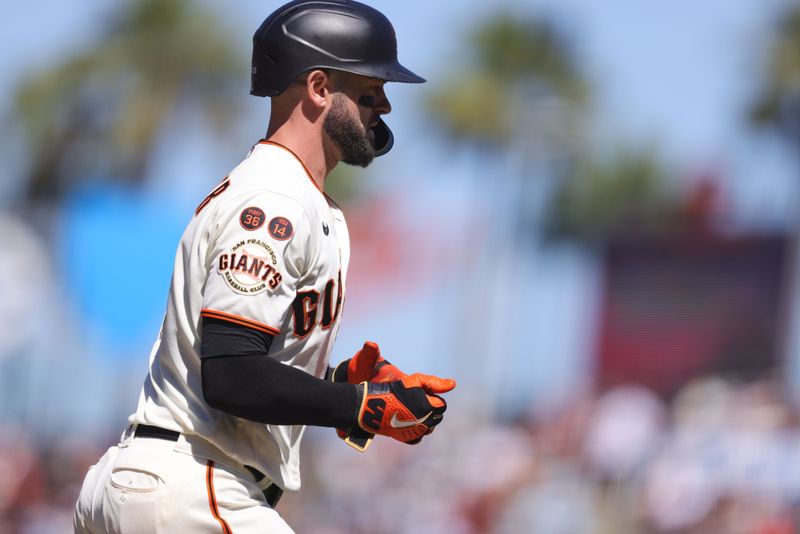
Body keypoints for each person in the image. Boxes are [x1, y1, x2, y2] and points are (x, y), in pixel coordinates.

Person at [73, 1, 456, 532]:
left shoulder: (296, 197)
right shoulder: (275, 201)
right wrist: (356, 405)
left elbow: (245, 358)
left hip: (165, 483)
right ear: (319, 88)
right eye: (371, 90)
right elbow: (230, 374)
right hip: (191, 485)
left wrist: (340, 380)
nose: (385, 107)